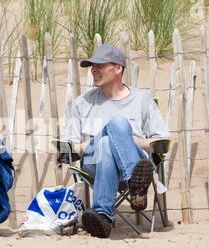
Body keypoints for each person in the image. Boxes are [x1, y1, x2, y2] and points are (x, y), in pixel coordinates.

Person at [66, 44, 170, 238]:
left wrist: (126, 140)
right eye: (91, 66)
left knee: (110, 139)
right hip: (92, 164)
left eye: (100, 65)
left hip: (137, 160)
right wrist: (106, 135)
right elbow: (71, 148)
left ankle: (103, 217)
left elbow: (161, 141)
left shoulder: (142, 100)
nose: (93, 70)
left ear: (118, 68)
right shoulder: (83, 103)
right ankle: (136, 185)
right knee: (108, 137)